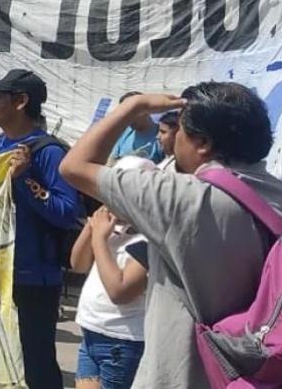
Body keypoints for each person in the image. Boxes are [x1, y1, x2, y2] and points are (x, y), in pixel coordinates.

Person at [59, 83, 282, 387]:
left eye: (180, 128)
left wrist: (133, 107)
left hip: (184, 375)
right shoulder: (276, 196)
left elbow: (74, 166)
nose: (173, 137)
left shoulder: (180, 198)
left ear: (202, 143)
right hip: (261, 373)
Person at [0, 69, 82, 389]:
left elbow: (67, 213)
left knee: (36, 362)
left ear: (21, 102)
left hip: (35, 277)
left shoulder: (50, 152)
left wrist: (25, 178)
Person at [68, 157, 152, 389]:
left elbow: (120, 290)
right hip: (91, 333)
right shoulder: (112, 226)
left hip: (122, 342)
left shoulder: (149, 236)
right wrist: (92, 227)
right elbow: (78, 264)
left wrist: (99, 239)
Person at [109, 92, 163, 163]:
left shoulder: (161, 135)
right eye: (125, 114)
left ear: (146, 110)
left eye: (132, 112)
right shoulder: (123, 133)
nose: (128, 118)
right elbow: (112, 161)